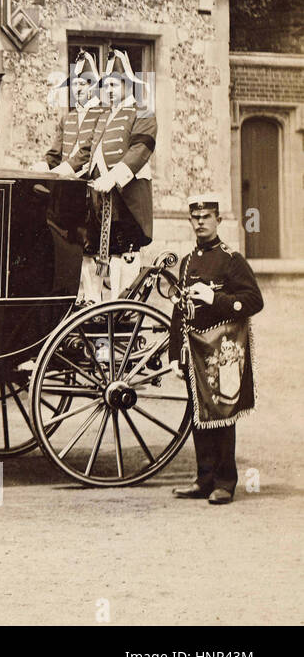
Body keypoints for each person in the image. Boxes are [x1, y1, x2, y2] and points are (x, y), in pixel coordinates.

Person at [168, 193, 263, 505]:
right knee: (199, 415)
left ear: (218, 220)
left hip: (222, 351)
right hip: (195, 351)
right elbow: (179, 311)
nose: (199, 222)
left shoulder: (231, 259)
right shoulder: (188, 261)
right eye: (195, 217)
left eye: (206, 216)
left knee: (222, 414)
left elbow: (253, 300)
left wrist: (215, 300)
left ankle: (225, 482)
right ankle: (204, 478)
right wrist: (173, 355)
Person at [74, 49, 156, 301]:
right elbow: (85, 152)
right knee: (92, 249)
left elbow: (141, 148)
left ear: (128, 85)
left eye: (114, 84)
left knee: (124, 252)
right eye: (106, 85)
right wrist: (56, 173)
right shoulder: (104, 116)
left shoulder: (142, 112)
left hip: (126, 196)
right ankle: (93, 305)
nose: (108, 90)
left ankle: (123, 306)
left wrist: (114, 177)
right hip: (98, 196)